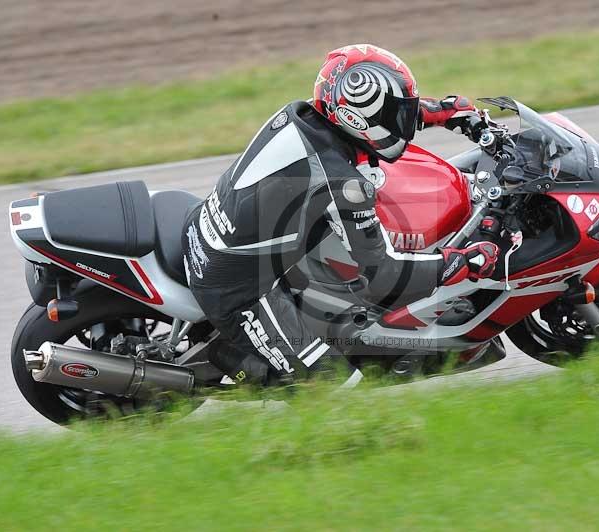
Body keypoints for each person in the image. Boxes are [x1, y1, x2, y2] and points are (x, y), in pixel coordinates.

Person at [182, 44, 500, 388]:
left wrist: (435, 111)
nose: (403, 122)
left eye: (403, 112)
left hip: (217, 232)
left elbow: (371, 115)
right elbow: (384, 273)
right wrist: (458, 263)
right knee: (335, 388)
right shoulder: (340, 183)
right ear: (354, 117)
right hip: (237, 290)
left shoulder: (302, 114)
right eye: (398, 114)